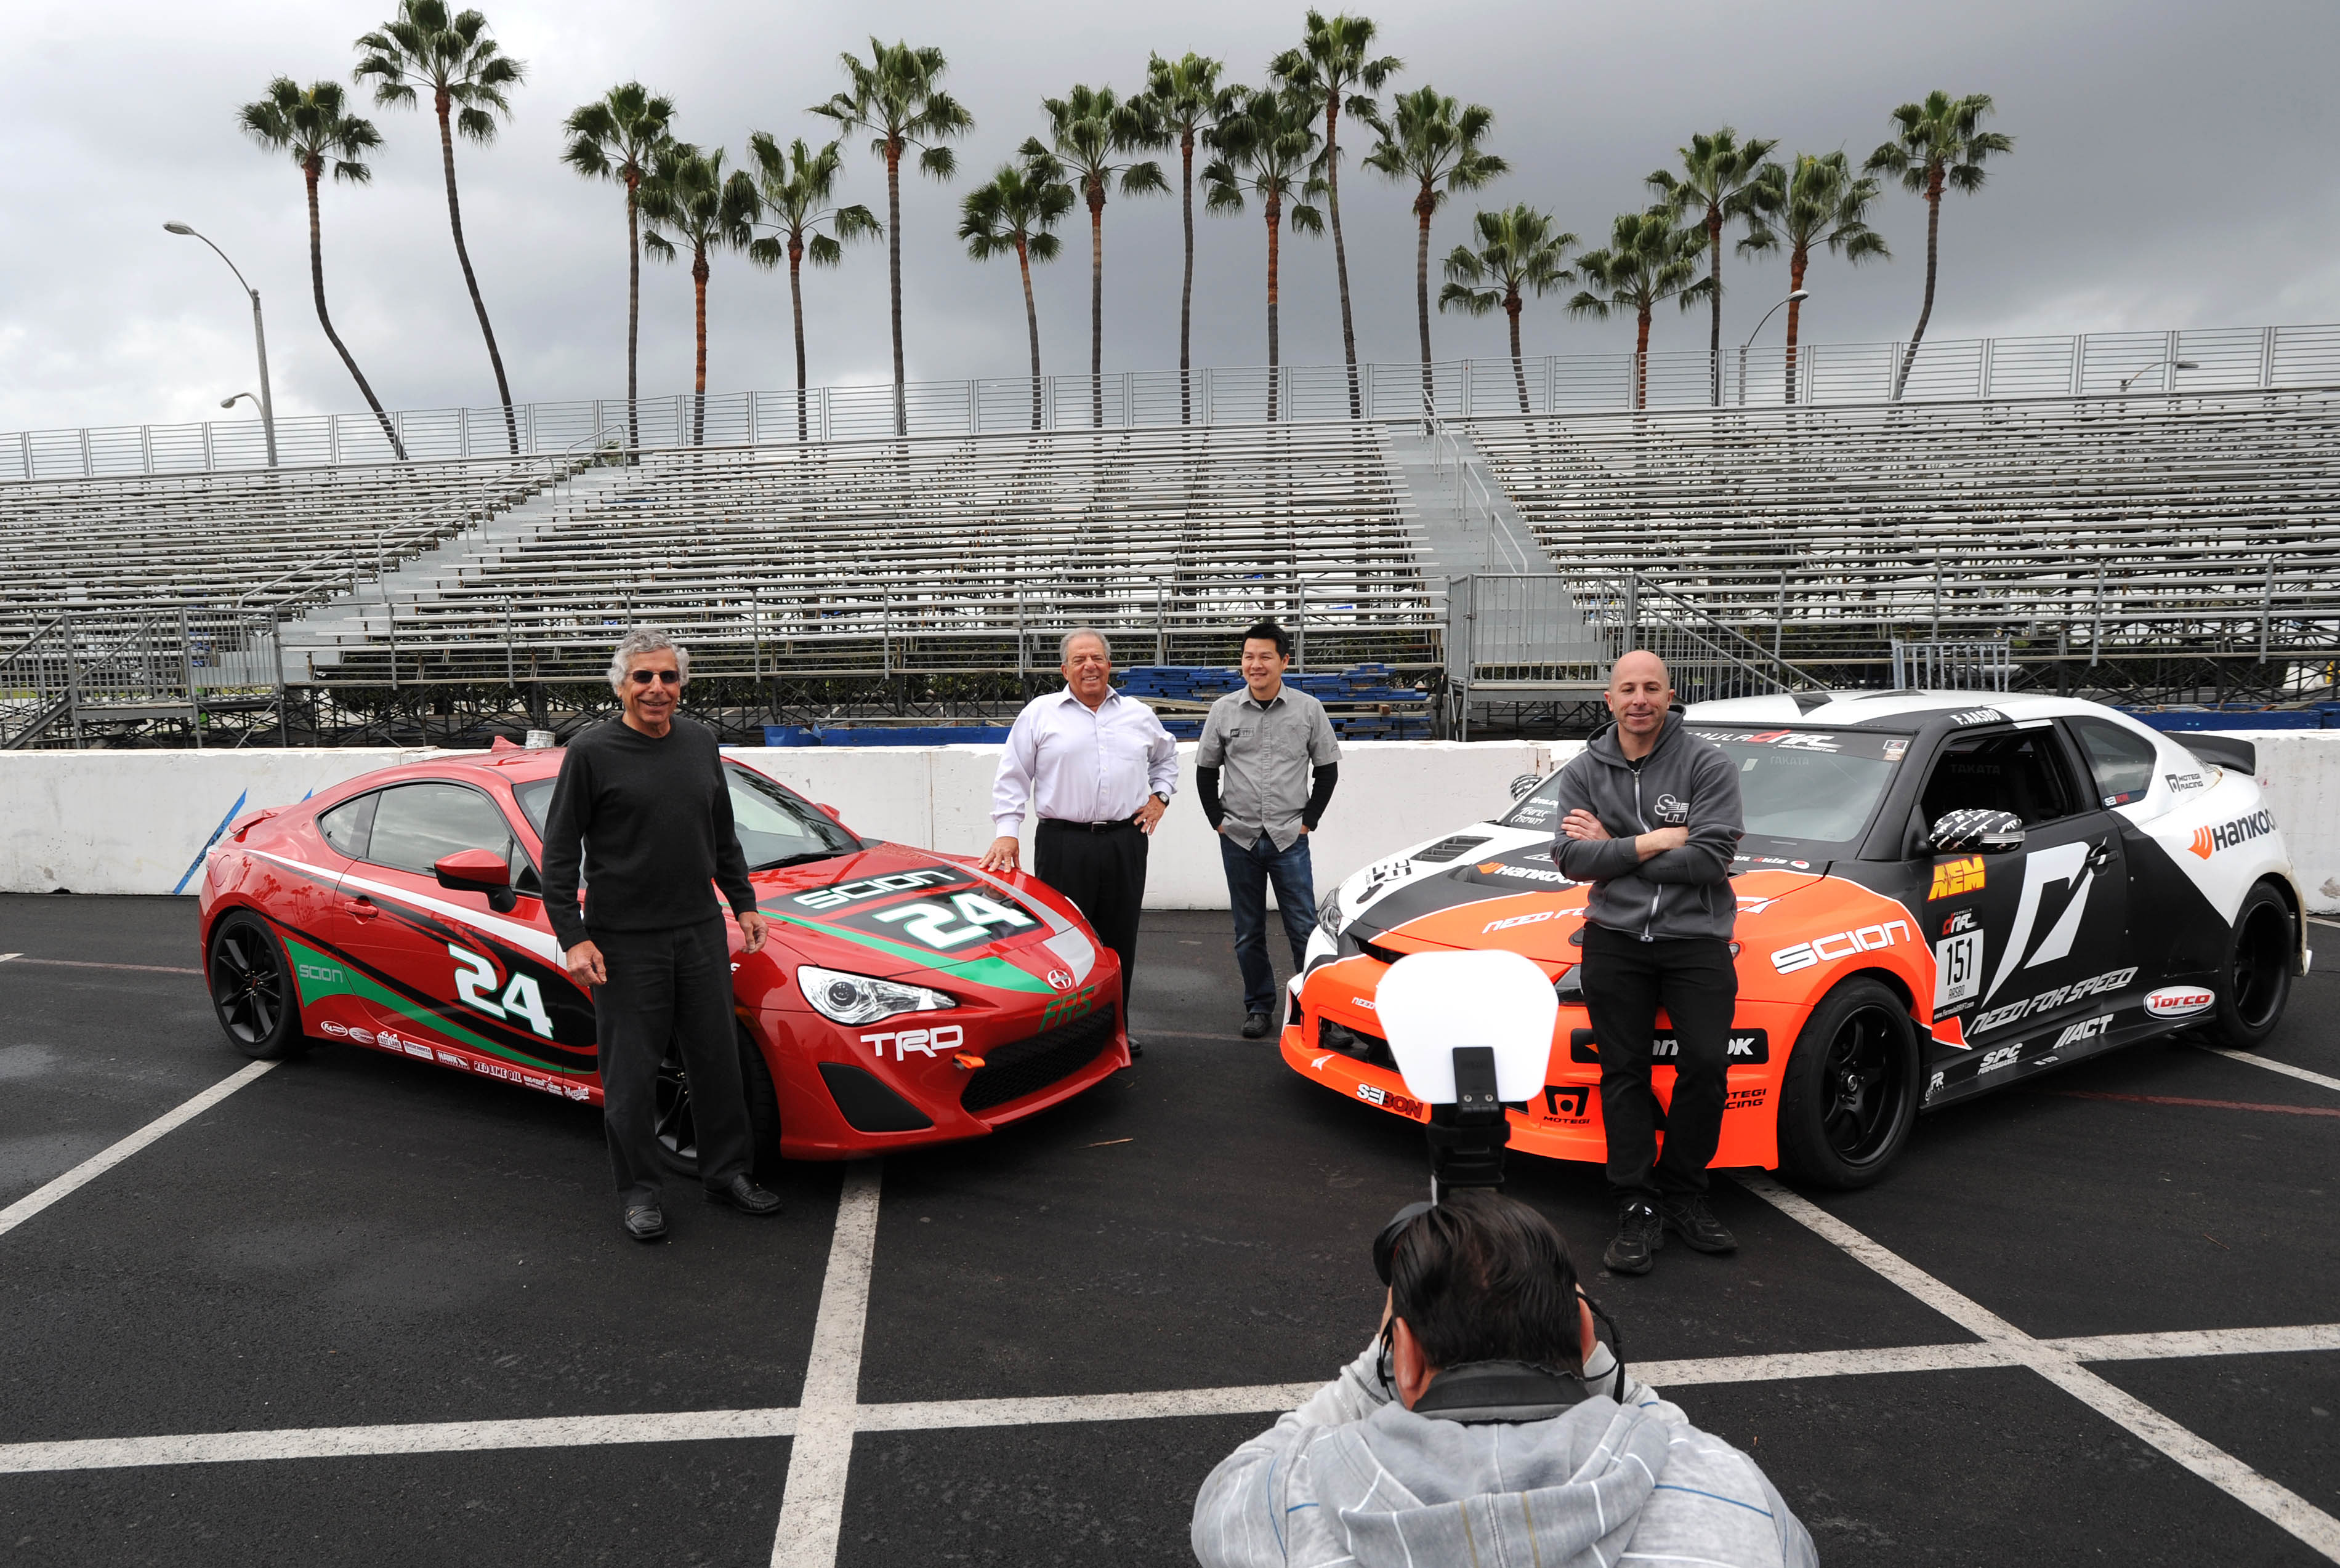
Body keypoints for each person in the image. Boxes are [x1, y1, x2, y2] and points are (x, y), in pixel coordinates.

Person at [1192, 1188, 1816, 1568]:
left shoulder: (1293, 1500)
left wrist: (1375, 1364)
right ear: (1580, 1333)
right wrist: (1590, 1354)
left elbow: (1221, 1499)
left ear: (1404, 1360)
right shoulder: (1732, 1494)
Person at [540, 629, 784, 1244]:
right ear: (621, 685)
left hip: (700, 931)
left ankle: (725, 1174)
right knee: (631, 1078)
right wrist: (573, 936)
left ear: (682, 685)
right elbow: (561, 853)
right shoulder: (592, 752)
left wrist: (743, 901)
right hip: (623, 941)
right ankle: (640, 1193)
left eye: (668, 677)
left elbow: (721, 832)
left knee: (717, 1065)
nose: (656, 688)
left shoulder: (700, 742)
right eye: (643, 677)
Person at [1548, 650, 1745, 1275]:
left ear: (1668, 696)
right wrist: (1654, 840)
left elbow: (1708, 860)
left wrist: (1613, 847)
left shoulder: (1706, 764)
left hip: (1696, 939)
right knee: (1623, 1072)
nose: (1639, 699)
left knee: (1707, 1065)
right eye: (1627, 688)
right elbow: (1571, 860)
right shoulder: (1583, 770)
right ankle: (1634, 1202)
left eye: (1651, 688)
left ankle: (1685, 1194)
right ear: (1608, 699)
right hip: (1613, 937)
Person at [982, 628, 1177, 1056]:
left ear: (1109, 665)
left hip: (1126, 840)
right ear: (1064, 668)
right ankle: (1066, 1036)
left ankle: (1117, 1030)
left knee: (1119, 938)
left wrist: (1160, 796)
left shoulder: (1138, 715)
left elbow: (1166, 757)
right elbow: (1013, 774)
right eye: (1080, 659)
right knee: (1062, 942)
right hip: (1063, 842)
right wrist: (1007, 832)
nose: (1090, 666)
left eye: (1097, 658)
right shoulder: (1040, 713)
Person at [1196, 619, 1340, 1039]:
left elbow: (1327, 771)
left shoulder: (1308, 709)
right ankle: (1259, 1006)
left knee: (1303, 929)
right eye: (1248, 656)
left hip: (1288, 839)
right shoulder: (1224, 710)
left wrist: (1307, 822)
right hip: (1239, 839)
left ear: (1284, 661)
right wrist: (1218, 822)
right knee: (1247, 932)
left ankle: (1319, 1014)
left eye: (1264, 656)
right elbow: (1206, 772)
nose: (1255, 665)